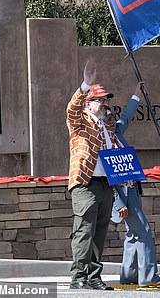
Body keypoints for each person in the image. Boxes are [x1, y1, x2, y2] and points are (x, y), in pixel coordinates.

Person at [111, 82, 160, 288]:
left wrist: (136, 96)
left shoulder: (117, 133)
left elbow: (126, 116)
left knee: (133, 233)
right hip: (123, 194)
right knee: (143, 231)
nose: (113, 119)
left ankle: (128, 275)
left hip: (132, 189)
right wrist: (120, 203)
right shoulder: (106, 142)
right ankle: (148, 276)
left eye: (112, 116)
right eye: (108, 117)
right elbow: (112, 177)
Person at [66, 61, 116, 290]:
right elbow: (72, 109)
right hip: (85, 183)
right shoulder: (80, 121)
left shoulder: (106, 126)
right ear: (89, 103)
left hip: (105, 184)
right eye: (100, 100)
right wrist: (86, 84)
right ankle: (78, 277)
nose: (104, 103)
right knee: (84, 230)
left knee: (99, 231)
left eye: (106, 100)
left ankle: (94, 276)